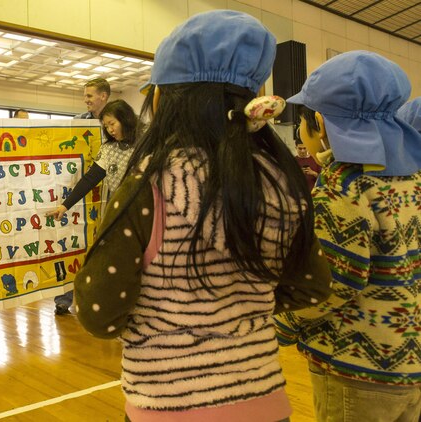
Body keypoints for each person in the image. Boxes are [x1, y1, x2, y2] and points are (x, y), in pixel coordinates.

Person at [73, 11, 332, 421]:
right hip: (265, 400)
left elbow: (98, 313)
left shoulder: (149, 186)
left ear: (161, 99)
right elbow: (312, 287)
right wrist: (243, 312)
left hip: (167, 404)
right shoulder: (282, 182)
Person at [274, 51, 421, 422]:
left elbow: (331, 281)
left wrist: (283, 323)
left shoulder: (345, 186)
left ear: (319, 123)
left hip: (355, 369)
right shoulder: (410, 177)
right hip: (408, 361)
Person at [47, 99, 139, 315]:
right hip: (118, 214)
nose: (109, 130)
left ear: (125, 119)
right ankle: (118, 306)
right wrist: (65, 206)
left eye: (112, 124)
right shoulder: (108, 149)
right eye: (105, 126)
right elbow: (90, 179)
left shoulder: (144, 144)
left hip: (139, 212)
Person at [52, 77, 113, 314]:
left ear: (103, 96)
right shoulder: (76, 123)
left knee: (101, 247)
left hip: (108, 193)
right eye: (84, 95)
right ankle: (65, 298)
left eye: (90, 95)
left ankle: (101, 297)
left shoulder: (116, 122)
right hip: (82, 191)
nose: (85, 100)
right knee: (72, 243)